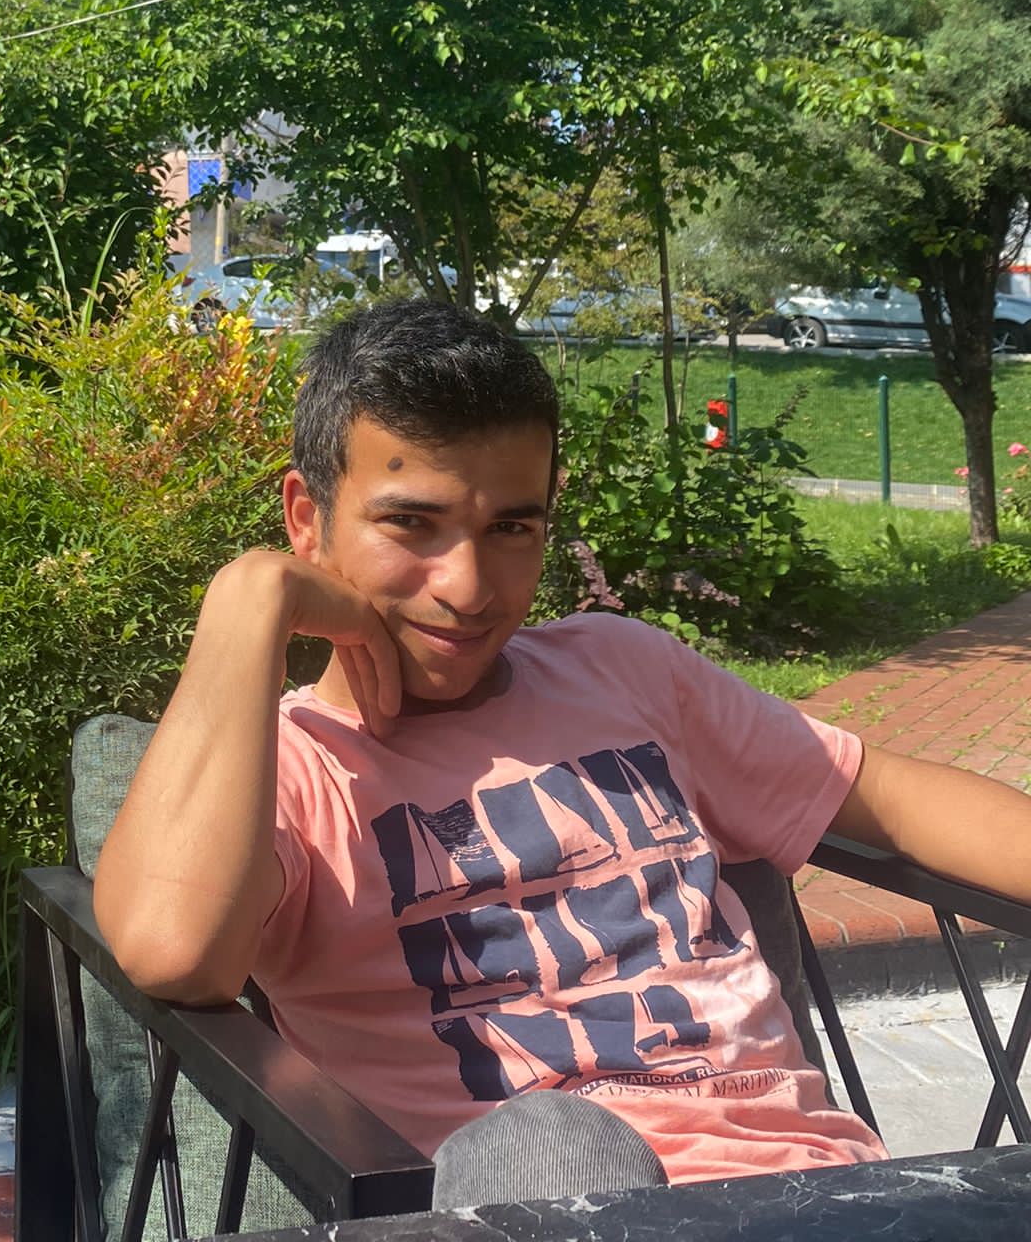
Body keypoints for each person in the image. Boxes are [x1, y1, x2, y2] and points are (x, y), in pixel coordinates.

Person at [93, 299, 1031, 1202]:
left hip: (817, 1190)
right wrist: (249, 600)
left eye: (511, 528)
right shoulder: (293, 770)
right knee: (543, 1141)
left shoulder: (623, 671)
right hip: (525, 1205)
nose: (467, 588)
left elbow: (892, 800)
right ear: (307, 518)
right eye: (410, 523)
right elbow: (173, 952)